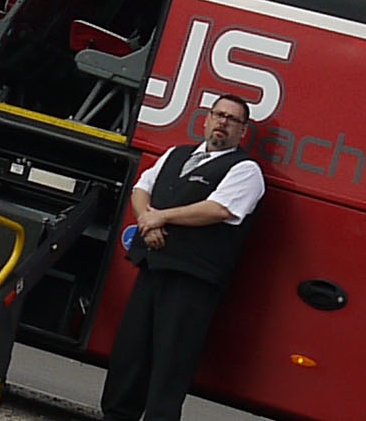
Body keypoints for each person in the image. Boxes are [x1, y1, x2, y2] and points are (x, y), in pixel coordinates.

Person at [102, 92, 267, 421]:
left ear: (242, 130)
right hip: (152, 267)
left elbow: (219, 209)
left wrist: (160, 218)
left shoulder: (246, 170)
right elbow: (141, 188)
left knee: (171, 363)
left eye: (232, 119)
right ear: (206, 119)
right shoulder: (175, 154)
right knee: (130, 352)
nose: (223, 122)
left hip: (192, 281)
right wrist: (146, 221)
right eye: (218, 115)